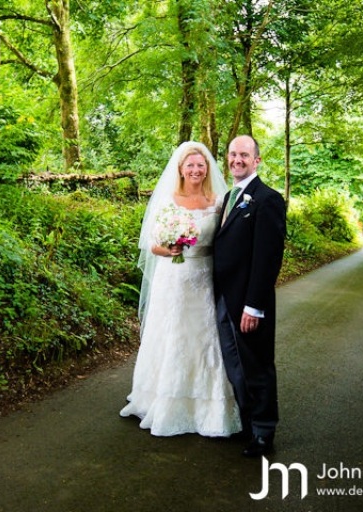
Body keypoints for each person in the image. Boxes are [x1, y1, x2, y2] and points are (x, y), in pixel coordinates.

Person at [120, 141, 242, 437]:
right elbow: (152, 245)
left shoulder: (218, 201)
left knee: (205, 337)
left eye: (201, 165)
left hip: (206, 277)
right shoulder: (168, 200)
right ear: (180, 169)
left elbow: (228, 240)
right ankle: (162, 400)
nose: (196, 170)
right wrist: (171, 248)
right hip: (172, 280)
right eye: (190, 165)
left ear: (207, 168)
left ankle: (210, 408)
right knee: (173, 334)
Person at [214, 135, 286, 457]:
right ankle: (246, 422)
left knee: (256, 366)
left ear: (256, 160)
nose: (236, 159)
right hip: (223, 298)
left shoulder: (267, 199)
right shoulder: (231, 196)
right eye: (232, 154)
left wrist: (254, 306)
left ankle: (263, 431)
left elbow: (268, 258)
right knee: (235, 365)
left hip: (247, 302)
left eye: (244, 154)